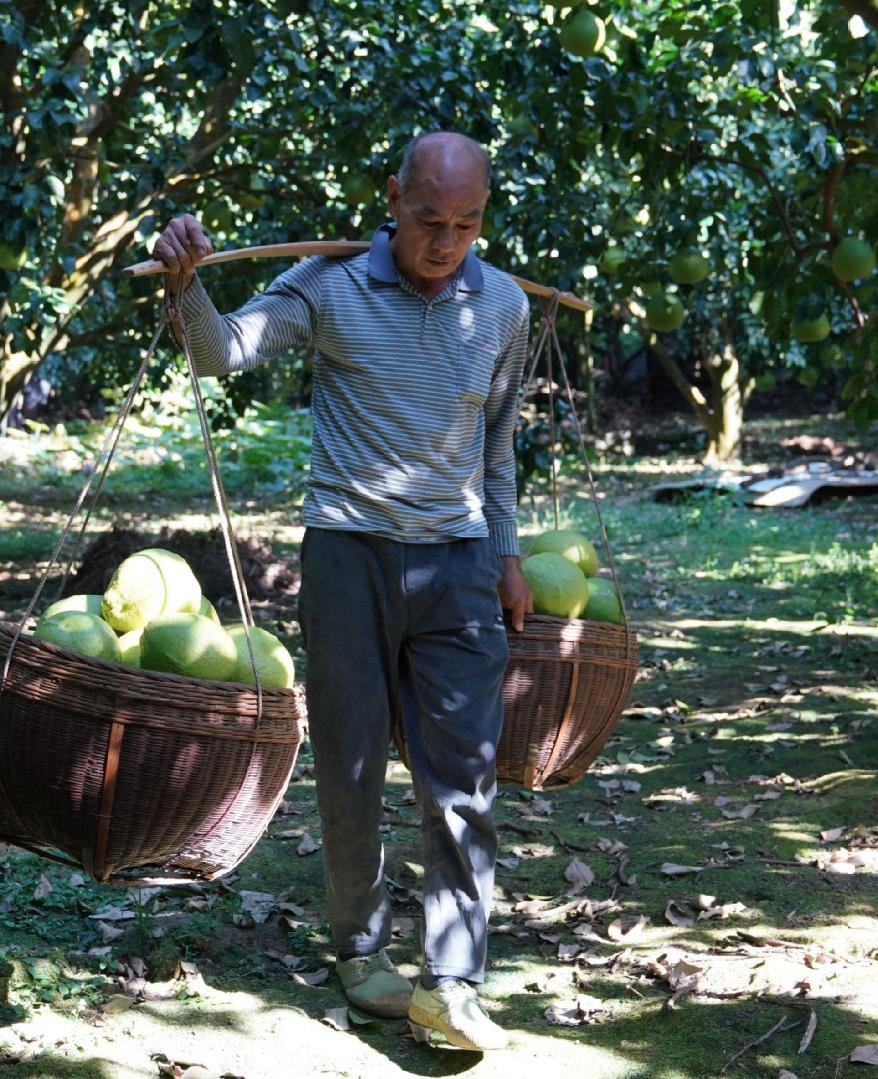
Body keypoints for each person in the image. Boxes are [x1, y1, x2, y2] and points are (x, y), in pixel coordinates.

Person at [150, 131, 533, 1052]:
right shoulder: (328, 286)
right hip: (348, 557)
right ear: (391, 196)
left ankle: (453, 980)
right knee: (351, 764)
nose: (447, 241)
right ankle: (360, 950)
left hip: (459, 561)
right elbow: (219, 352)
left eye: (468, 224)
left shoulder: (505, 305)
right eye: (429, 220)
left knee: (464, 777)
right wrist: (185, 283)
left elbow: (500, 445)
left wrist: (509, 556)